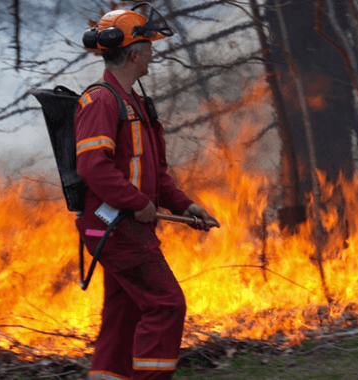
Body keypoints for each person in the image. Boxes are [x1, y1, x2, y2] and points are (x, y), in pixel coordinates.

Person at [74, 4, 220, 380]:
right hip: (115, 227)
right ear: (135, 53)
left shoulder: (137, 105)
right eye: (150, 47)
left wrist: (187, 207)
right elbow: (93, 167)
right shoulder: (101, 101)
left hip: (128, 226)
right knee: (166, 304)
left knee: (124, 314)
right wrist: (137, 203)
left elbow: (156, 174)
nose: (153, 53)